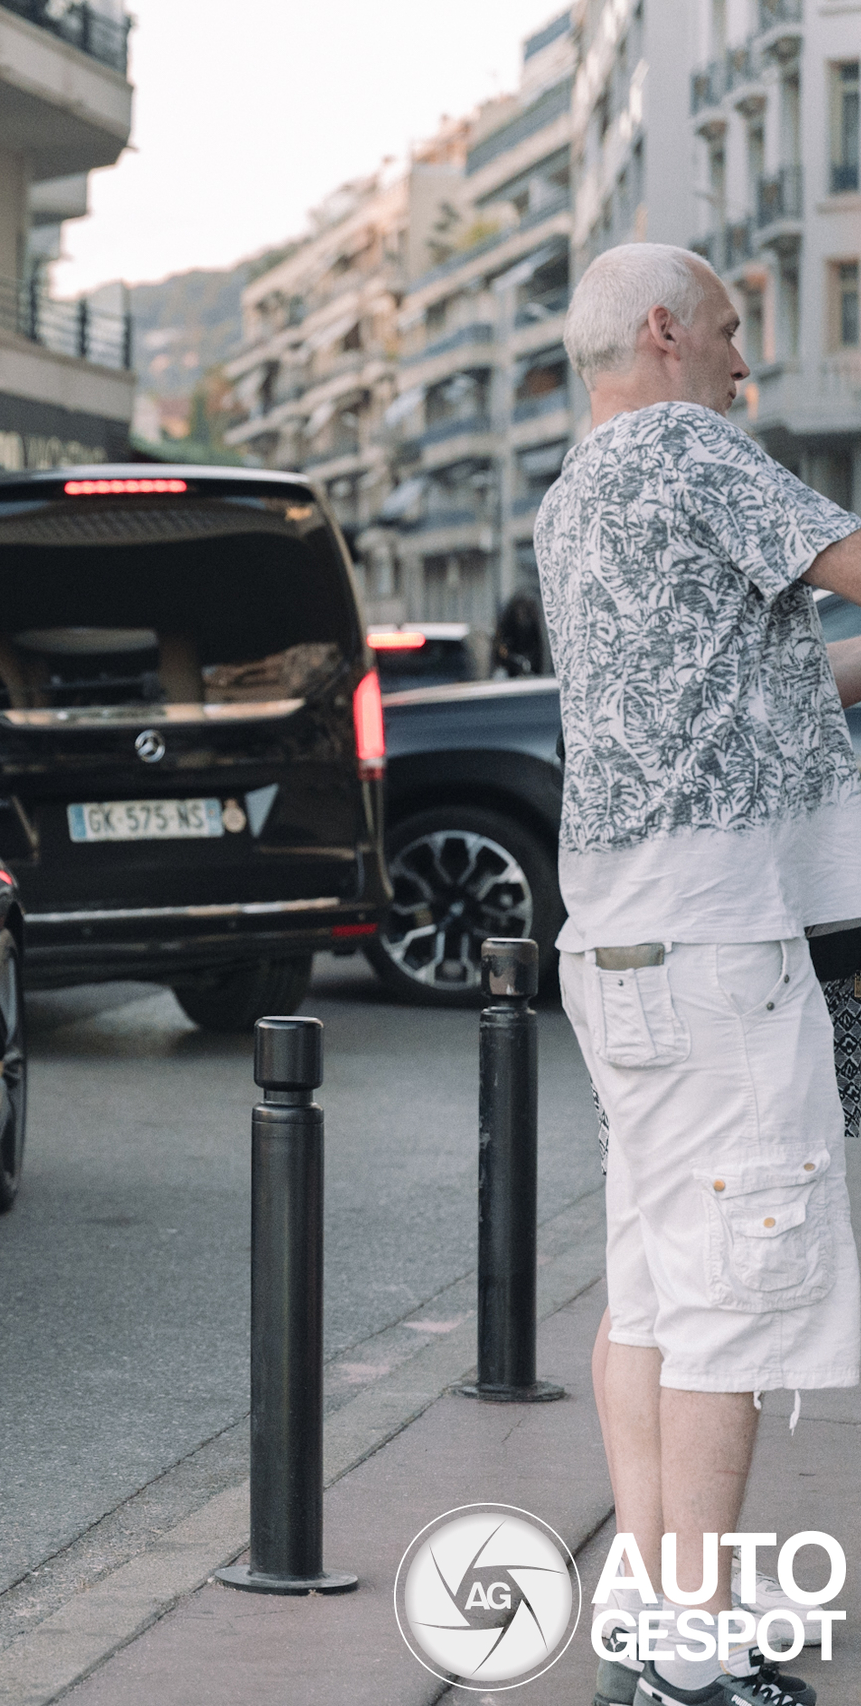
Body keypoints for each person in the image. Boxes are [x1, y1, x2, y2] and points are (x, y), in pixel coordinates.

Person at [538, 242, 861, 1706]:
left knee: (657, 1291)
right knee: (735, 1288)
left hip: (620, 938)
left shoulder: (580, 487)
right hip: (721, 938)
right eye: (732, 330)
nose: (745, 361)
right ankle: (696, 1655)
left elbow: (747, 677)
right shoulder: (688, 441)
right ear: (665, 330)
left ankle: (659, 1619)